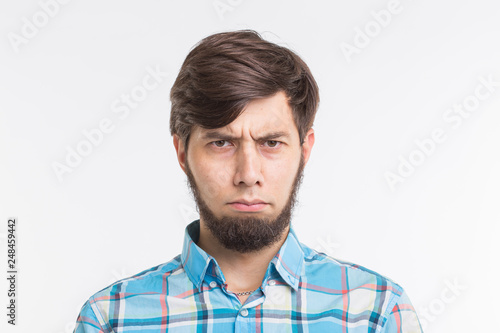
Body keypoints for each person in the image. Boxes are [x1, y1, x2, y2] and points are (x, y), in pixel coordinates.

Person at [74, 30, 422, 332]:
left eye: (271, 143)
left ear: (304, 150)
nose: (248, 175)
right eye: (221, 143)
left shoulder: (376, 314)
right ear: (182, 152)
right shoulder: (111, 319)